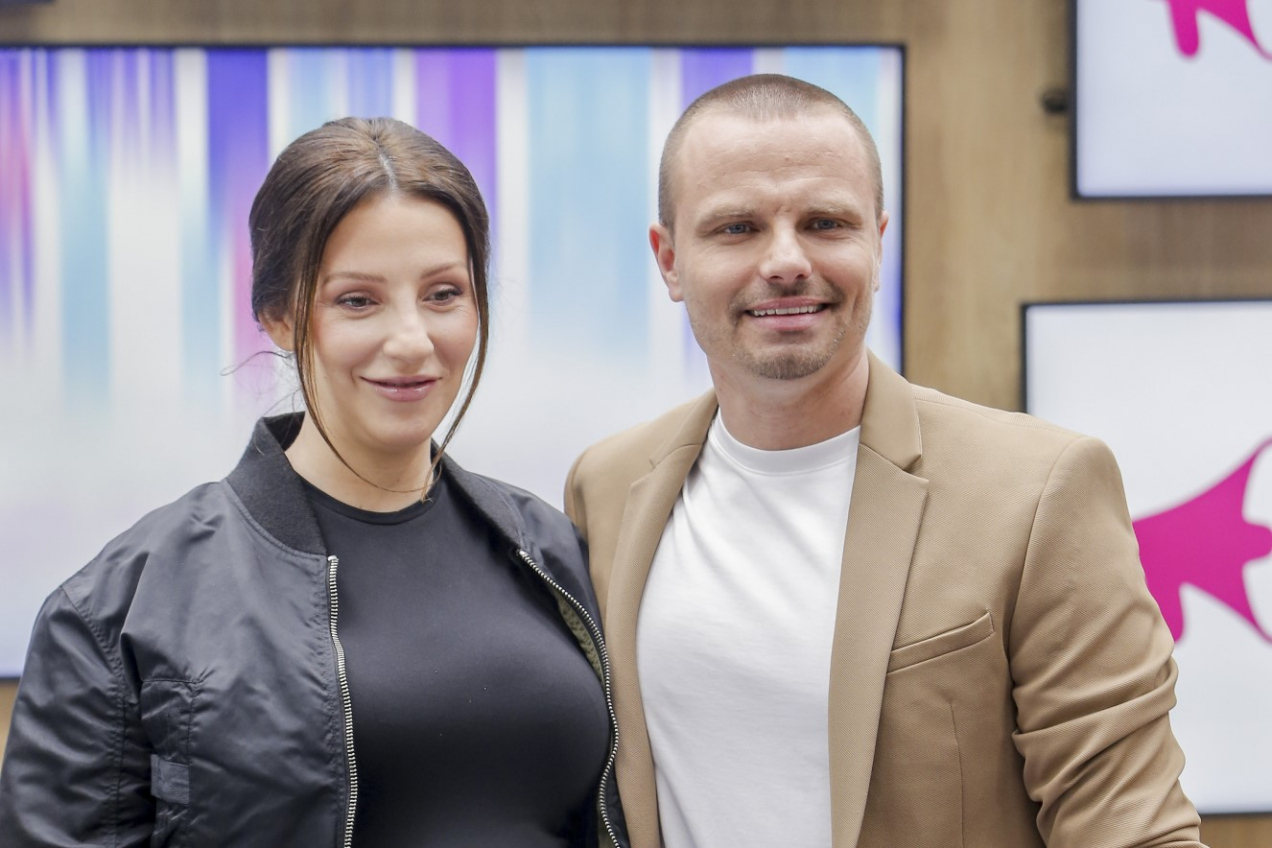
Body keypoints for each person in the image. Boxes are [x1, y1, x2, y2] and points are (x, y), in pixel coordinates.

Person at [564, 75, 1204, 848]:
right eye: (737, 228)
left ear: (877, 241)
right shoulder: (606, 487)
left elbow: (1133, 830)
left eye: (825, 223)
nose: (786, 261)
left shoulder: (1039, 491)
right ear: (669, 259)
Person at [0, 117, 626, 848]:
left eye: (443, 293)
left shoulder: (551, 551)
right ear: (278, 316)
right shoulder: (119, 608)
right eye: (358, 300)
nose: (412, 340)